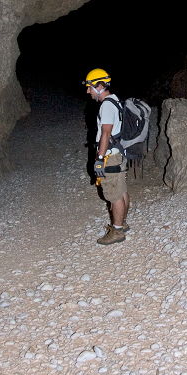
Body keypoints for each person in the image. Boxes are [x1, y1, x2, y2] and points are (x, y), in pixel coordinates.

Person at [83, 68, 129, 245]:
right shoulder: (115, 100)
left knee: (114, 194)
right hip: (118, 153)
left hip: (111, 156)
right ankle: (121, 223)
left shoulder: (107, 105)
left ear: (100, 86)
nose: (88, 91)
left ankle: (117, 231)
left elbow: (105, 133)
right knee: (121, 190)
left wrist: (100, 160)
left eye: (90, 87)